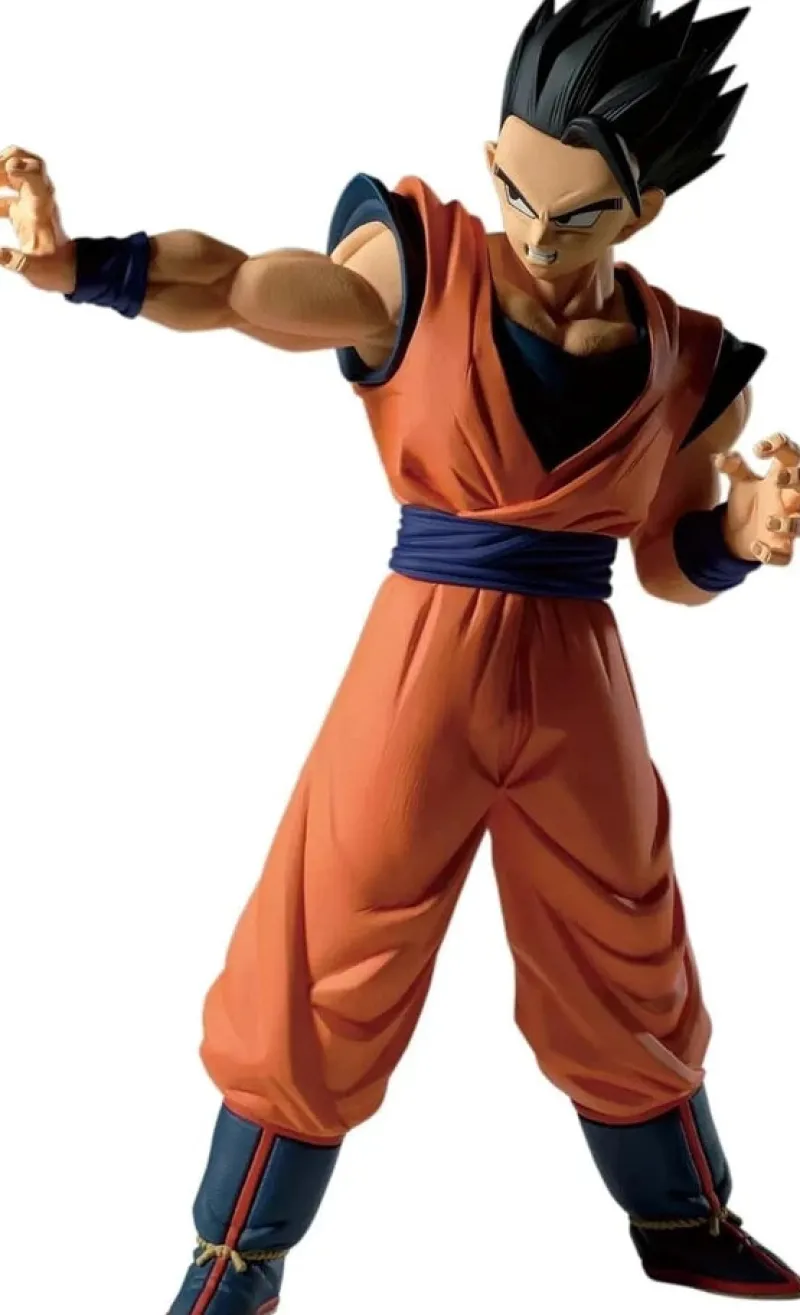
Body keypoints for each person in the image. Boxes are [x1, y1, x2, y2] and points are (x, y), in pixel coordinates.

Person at [3, 1, 799, 1308]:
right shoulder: (421, 270)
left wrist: (744, 536)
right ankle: (237, 1255)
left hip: (579, 669)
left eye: (578, 214)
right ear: (492, 155)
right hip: (425, 655)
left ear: (644, 211)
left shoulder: (690, 361)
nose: (534, 234)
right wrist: (77, 265)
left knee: (627, 936)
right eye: (514, 190)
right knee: (327, 941)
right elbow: (243, 287)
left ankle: (685, 1216)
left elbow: (667, 560)